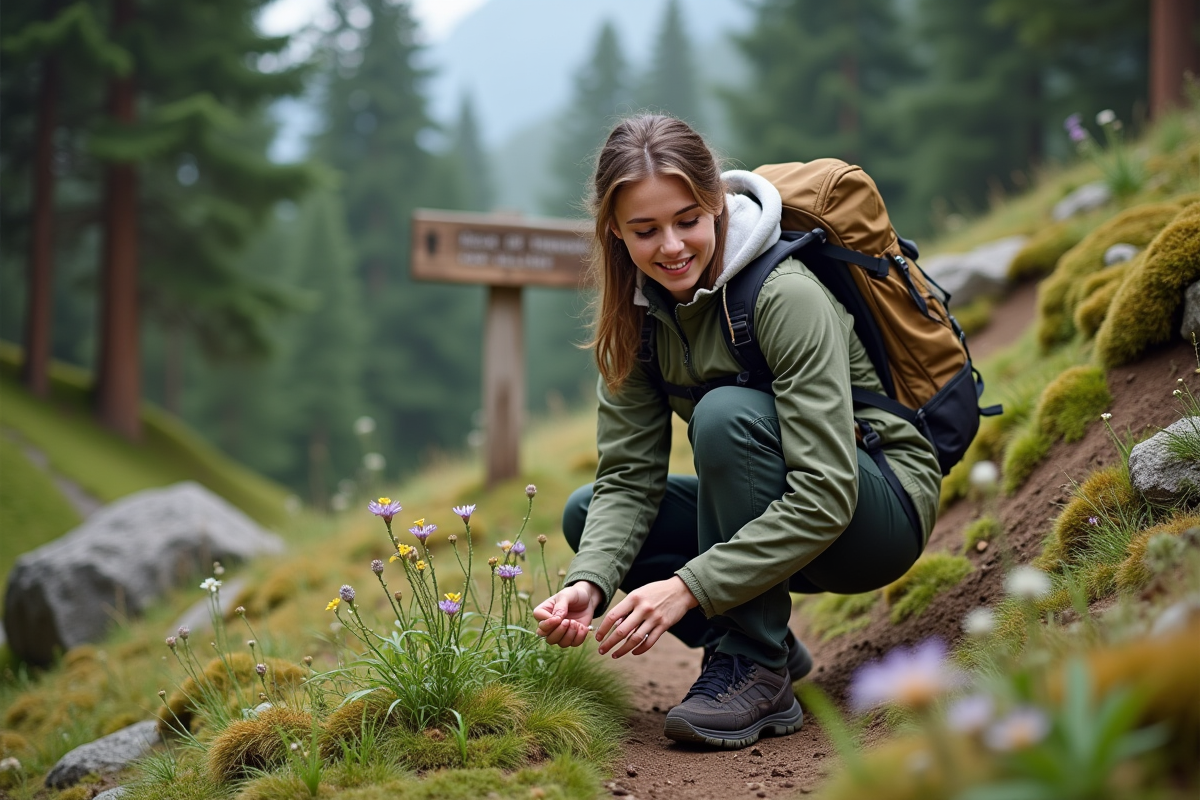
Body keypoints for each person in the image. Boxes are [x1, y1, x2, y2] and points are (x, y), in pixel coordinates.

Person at [532, 115, 942, 749]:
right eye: (645, 230)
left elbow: (826, 493)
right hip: (793, 512)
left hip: (877, 508)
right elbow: (627, 480)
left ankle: (751, 665)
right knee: (588, 517)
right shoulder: (635, 320)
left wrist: (688, 588)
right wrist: (587, 582)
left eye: (688, 220)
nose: (670, 246)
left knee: (725, 414)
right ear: (614, 231)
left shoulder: (783, 294)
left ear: (716, 206)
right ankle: (772, 647)